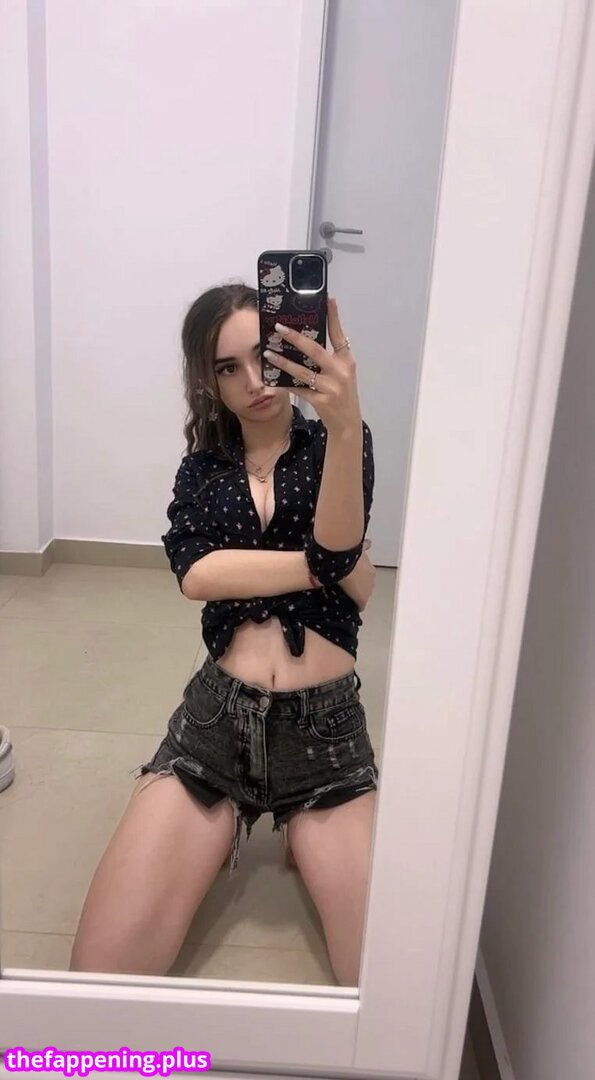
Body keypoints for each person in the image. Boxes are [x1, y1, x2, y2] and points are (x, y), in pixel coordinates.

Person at [70, 283, 378, 985]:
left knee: (389, 985)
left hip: (325, 735)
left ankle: (294, 829)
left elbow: (337, 545)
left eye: (263, 358)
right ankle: (221, 831)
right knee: (98, 979)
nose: (253, 382)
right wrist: (327, 570)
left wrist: (345, 426)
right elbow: (196, 574)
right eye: (227, 368)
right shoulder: (202, 469)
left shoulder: (339, 440)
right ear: (207, 381)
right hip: (216, 722)